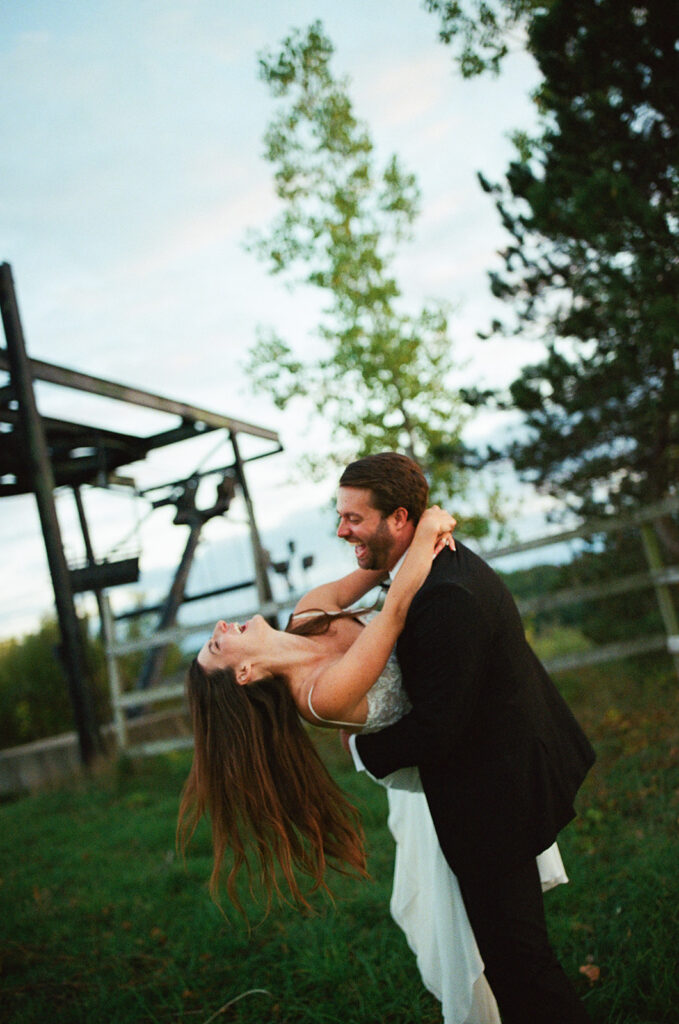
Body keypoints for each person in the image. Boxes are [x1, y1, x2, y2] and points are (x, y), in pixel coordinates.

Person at [337, 452, 596, 1024]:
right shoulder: (424, 569)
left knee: (520, 964)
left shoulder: (445, 595)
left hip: (496, 795)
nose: (342, 530)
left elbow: (437, 727)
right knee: (512, 957)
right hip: (492, 777)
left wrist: (360, 747)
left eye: (354, 518)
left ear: (399, 518)